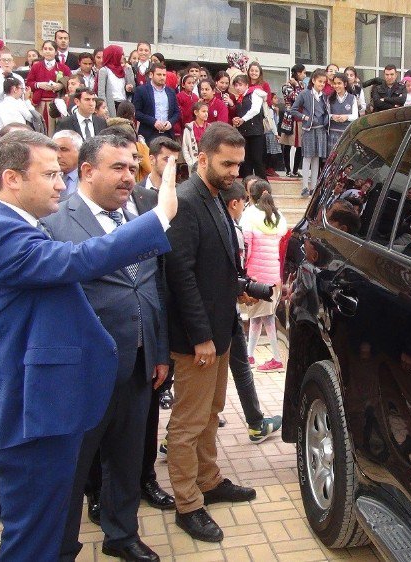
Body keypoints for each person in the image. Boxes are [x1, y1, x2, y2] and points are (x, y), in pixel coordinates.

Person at [0, 129, 175, 561]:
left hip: (51, 404)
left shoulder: (12, 224)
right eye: (51, 175)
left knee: (39, 529)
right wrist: (161, 218)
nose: (61, 184)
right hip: (32, 414)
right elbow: (76, 261)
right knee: (33, 539)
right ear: (12, 178)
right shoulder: (1, 231)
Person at [44, 135, 174, 562]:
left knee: (126, 456)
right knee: (74, 468)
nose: (128, 176)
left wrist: (156, 350)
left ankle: (122, 534)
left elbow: (149, 285)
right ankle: (60, 547)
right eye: (117, 167)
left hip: (137, 364)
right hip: (83, 373)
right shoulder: (56, 222)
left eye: (131, 166)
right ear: (86, 171)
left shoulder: (135, 216)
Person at [163, 123, 257, 543]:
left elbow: (213, 263)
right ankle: (187, 503)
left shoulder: (216, 197)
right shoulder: (186, 201)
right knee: (188, 423)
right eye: (226, 163)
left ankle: (209, 480)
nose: (234, 171)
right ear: (201, 158)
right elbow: (179, 275)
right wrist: (201, 336)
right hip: (197, 339)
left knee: (210, 414)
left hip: (220, 331)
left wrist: (238, 290)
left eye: (238, 163)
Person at [220, 181, 282, 441]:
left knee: (262, 321)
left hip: (255, 276)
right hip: (269, 276)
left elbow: (247, 252)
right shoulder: (276, 217)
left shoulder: (244, 221)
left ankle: (256, 421)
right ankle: (255, 422)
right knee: (264, 320)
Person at [240, 180, 288, 371]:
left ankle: (276, 357)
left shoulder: (249, 215)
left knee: (264, 317)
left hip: (256, 276)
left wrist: (244, 269)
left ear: (250, 196)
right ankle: (250, 355)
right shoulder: (278, 215)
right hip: (273, 274)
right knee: (259, 317)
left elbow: (247, 247)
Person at [287, 69, 328, 198]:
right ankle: (304, 186)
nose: (321, 84)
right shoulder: (305, 94)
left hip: (321, 129)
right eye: (319, 81)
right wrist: (304, 117)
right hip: (309, 129)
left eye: (324, 82)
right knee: (307, 157)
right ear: (313, 80)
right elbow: (293, 110)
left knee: (316, 158)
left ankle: (314, 187)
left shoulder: (325, 96)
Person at [26, 40, 71, 135]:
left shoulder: (63, 68)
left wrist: (61, 85)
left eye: (50, 49)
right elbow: (29, 83)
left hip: (57, 104)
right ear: (42, 51)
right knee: (41, 130)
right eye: (45, 49)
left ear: (55, 52)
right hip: (39, 103)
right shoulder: (36, 67)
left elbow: (71, 81)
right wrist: (39, 85)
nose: (47, 51)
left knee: (56, 131)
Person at [231, 74, 267, 179]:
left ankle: (264, 186)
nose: (238, 88)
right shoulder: (240, 99)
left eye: (240, 85)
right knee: (246, 161)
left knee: (257, 160)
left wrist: (243, 119)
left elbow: (255, 109)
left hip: (256, 132)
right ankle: (247, 186)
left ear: (247, 85)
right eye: (236, 85)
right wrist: (237, 119)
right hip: (244, 133)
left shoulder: (254, 93)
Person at [133, 63, 180, 141]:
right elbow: (137, 113)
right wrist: (153, 122)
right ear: (151, 75)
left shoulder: (171, 92)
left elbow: (177, 112)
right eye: (159, 74)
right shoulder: (141, 90)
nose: (162, 77)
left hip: (167, 134)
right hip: (148, 133)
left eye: (164, 75)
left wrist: (170, 123)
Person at [278, 65, 305, 178]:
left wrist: (298, 86)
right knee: (287, 145)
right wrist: (296, 86)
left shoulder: (302, 85)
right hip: (290, 119)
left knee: (300, 146)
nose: (304, 75)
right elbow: (298, 98)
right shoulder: (286, 86)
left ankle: (295, 170)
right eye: (303, 72)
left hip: (301, 118)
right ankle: (288, 170)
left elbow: (305, 98)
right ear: (298, 73)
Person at [98, 45, 134, 119]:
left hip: (123, 103)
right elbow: (101, 92)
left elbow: (131, 86)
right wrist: (105, 109)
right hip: (111, 103)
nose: (123, 56)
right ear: (114, 55)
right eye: (121, 54)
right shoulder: (104, 70)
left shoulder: (123, 70)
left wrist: (129, 70)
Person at [327, 72, 358, 154]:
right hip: (333, 133)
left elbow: (355, 116)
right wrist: (332, 116)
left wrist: (346, 117)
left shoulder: (352, 98)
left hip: (346, 133)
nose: (336, 86)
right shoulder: (330, 98)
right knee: (332, 159)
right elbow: (326, 114)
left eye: (339, 83)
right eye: (335, 83)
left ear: (345, 84)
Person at [53, 129, 82, 201]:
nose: (58, 155)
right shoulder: (47, 177)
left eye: (64, 149)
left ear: (79, 152)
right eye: (54, 150)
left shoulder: (89, 179)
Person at [181, 101, 208, 171]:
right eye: (203, 111)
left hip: (208, 162)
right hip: (194, 162)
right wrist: (190, 163)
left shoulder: (210, 127)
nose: (206, 114)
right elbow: (185, 147)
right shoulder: (189, 128)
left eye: (207, 111)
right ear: (196, 112)